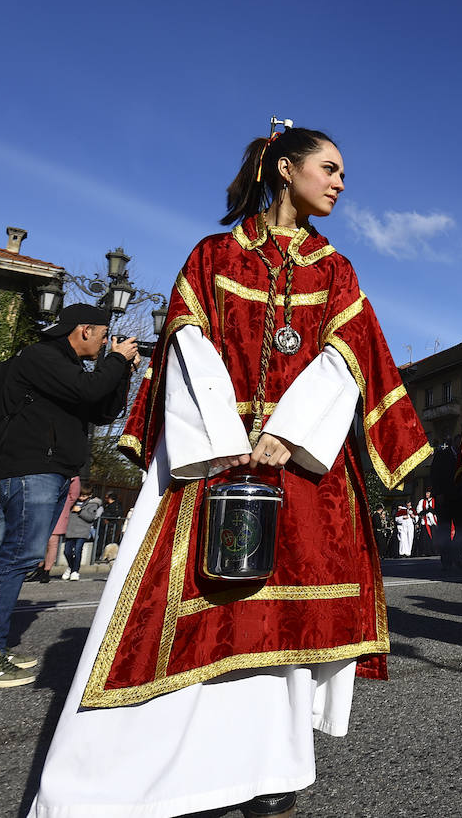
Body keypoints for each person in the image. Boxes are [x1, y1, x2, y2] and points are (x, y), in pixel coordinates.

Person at [30, 124, 429, 818]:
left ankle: (272, 764)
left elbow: (347, 359)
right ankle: (128, 777)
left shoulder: (336, 269)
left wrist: (289, 433)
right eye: (329, 168)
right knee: (182, 607)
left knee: (282, 621)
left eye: (343, 173)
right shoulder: (213, 256)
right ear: (284, 167)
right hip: (211, 457)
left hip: (300, 467)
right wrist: (223, 437)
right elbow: (185, 343)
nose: (340, 183)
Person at [0, 304, 136, 689]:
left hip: (51, 470)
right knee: (16, 556)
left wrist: (123, 370)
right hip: (29, 469)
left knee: (18, 555)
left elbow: (103, 410)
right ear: (85, 330)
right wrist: (116, 362)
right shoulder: (40, 357)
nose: (107, 343)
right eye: (104, 335)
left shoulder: (67, 370)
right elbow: (88, 389)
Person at [61, 486, 101, 580]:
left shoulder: (92, 504)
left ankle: (75, 571)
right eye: (80, 495)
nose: (81, 498)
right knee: (67, 551)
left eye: (84, 496)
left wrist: (80, 511)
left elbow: (91, 517)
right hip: (70, 530)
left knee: (78, 550)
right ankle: (71, 567)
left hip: (82, 531)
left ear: (89, 495)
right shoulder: (72, 502)